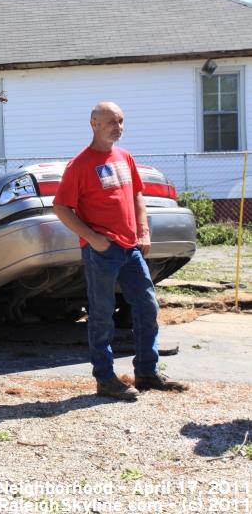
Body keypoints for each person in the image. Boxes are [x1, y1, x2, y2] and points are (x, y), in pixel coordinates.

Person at [52, 101, 188, 401]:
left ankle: (147, 372)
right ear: (94, 124)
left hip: (130, 248)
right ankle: (105, 379)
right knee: (101, 315)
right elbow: (61, 207)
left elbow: (137, 193)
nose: (118, 127)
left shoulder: (124, 156)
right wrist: (92, 238)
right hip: (101, 250)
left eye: (122, 121)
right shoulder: (80, 164)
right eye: (112, 122)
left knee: (147, 307)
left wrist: (143, 229)